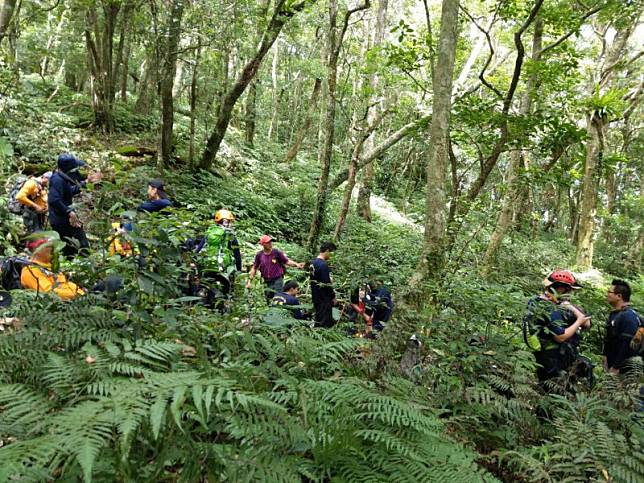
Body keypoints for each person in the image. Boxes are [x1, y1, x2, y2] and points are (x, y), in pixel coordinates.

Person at [525, 270, 592, 385]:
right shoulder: (549, 308)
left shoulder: (539, 301)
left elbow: (587, 323)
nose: (571, 294)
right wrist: (578, 321)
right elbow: (560, 336)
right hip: (553, 358)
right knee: (555, 389)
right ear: (561, 289)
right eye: (570, 290)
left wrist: (570, 307)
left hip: (549, 355)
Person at [48, 153, 102, 258]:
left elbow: (70, 191)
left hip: (62, 219)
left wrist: (87, 181)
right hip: (62, 220)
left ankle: (71, 268)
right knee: (82, 244)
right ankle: (86, 265)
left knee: (70, 248)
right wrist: (69, 212)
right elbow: (54, 200)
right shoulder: (57, 179)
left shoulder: (62, 178)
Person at [188, 209, 242, 309]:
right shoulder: (229, 235)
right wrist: (239, 269)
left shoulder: (209, 233)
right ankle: (223, 308)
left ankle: (206, 307)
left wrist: (193, 261)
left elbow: (199, 249)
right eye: (230, 221)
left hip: (208, 266)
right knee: (227, 288)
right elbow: (237, 254)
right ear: (227, 222)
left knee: (207, 286)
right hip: (223, 267)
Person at [20, 238, 85, 301]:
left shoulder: (50, 265)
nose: (53, 250)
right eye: (49, 247)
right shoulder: (30, 270)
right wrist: (78, 294)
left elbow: (64, 283)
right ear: (37, 249)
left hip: (77, 297)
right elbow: (48, 294)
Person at [246, 235, 305, 302]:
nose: (270, 244)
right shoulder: (259, 255)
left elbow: (287, 261)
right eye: (268, 242)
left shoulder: (276, 252)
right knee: (268, 299)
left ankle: (280, 310)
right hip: (267, 281)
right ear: (263, 244)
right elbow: (254, 268)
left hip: (277, 280)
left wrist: (297, 264)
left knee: (278, 298)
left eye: (270, 242)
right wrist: (249, 282)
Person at [603, 279, 641, 375]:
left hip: (624, 371)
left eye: (609, 292)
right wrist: (605, 357)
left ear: (619, 296)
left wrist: (616, 367)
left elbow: (627, 345)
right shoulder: (614, 314)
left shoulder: (628, 316)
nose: (607, 294)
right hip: (612, 366)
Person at [310, 242, 337, 328]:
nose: (332, 255)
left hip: (315, 297)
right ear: (328, 251)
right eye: (332, 252)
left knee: (318, 320)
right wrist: (333, 297)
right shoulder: (323, 265)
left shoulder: (313, 263)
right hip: (324, 299)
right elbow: (326, 284)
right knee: (325, 324)